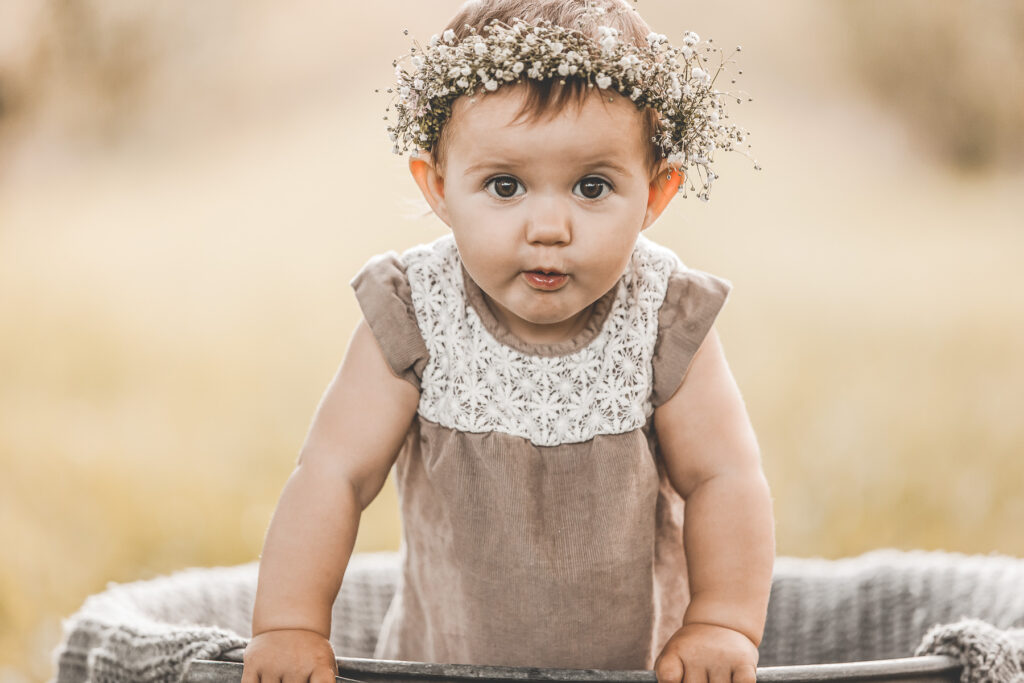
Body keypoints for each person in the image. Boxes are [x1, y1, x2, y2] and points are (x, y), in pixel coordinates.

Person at [242, 2, 774, 683]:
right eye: (504, 185)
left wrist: (721, 621)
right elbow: (332, 472)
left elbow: (723, 477)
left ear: (655, 193)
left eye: (591, 186)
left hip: (630, 670)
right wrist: (289, 622)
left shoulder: (664, 316)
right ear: (438, 186)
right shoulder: (416, 309)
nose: (548, 225)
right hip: (442, 665)